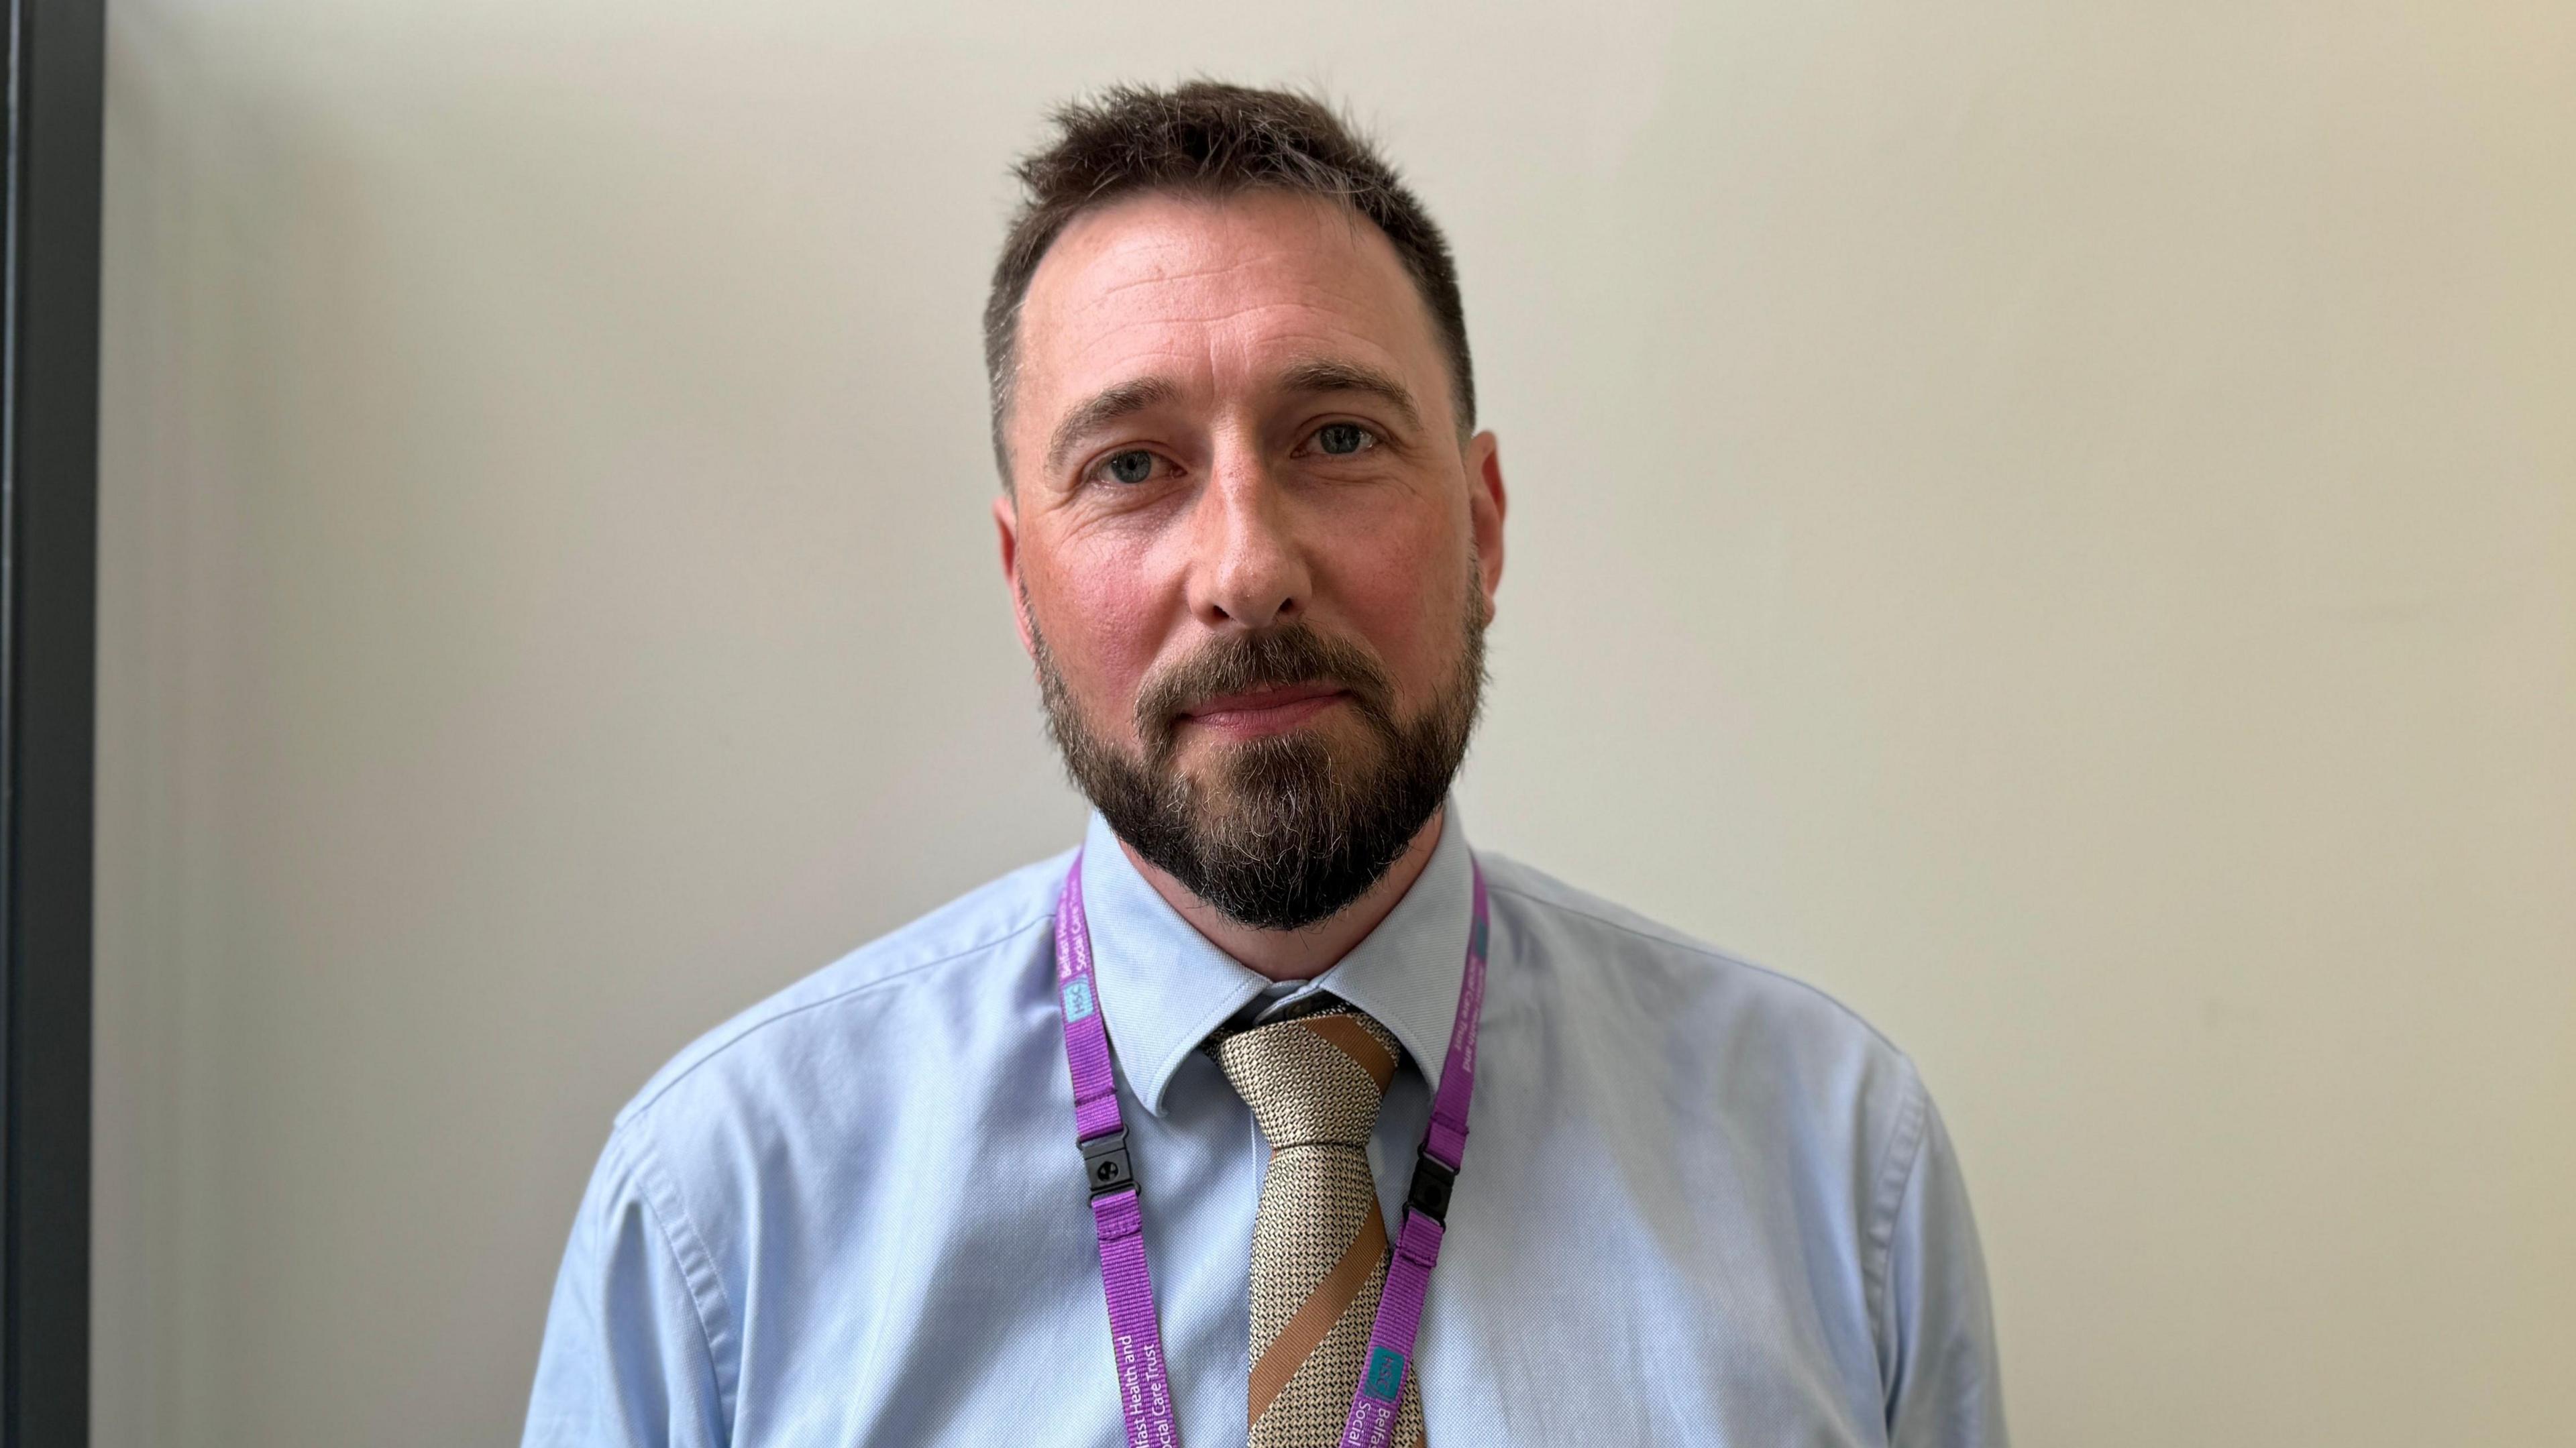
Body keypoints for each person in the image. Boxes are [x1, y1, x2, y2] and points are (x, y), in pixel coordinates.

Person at [522, 80, 2008, 1447]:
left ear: (1484, 525)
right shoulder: (726, 1212)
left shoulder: (1833, 1165)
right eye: (1130, 468)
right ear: (1018, 574)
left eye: (1340, 437)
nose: (1247, 567)